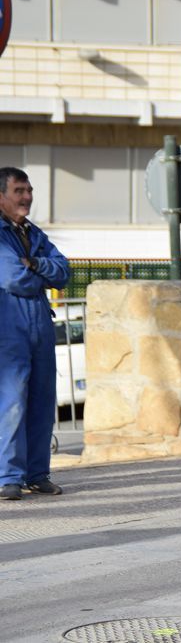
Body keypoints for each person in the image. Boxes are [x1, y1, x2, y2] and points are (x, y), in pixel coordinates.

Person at [0, 167, 70, 501]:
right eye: (19, 190)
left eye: (29, 190)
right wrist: (38, 271)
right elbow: (14, 278)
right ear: (1, 195)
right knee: (11, 403)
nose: (27, 196)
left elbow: (64, 271)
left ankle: (37, 473)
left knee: (43, 402)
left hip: (40, 326)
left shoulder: (34, 233)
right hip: (8, 329)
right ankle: (8, 477)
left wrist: (37, 265)